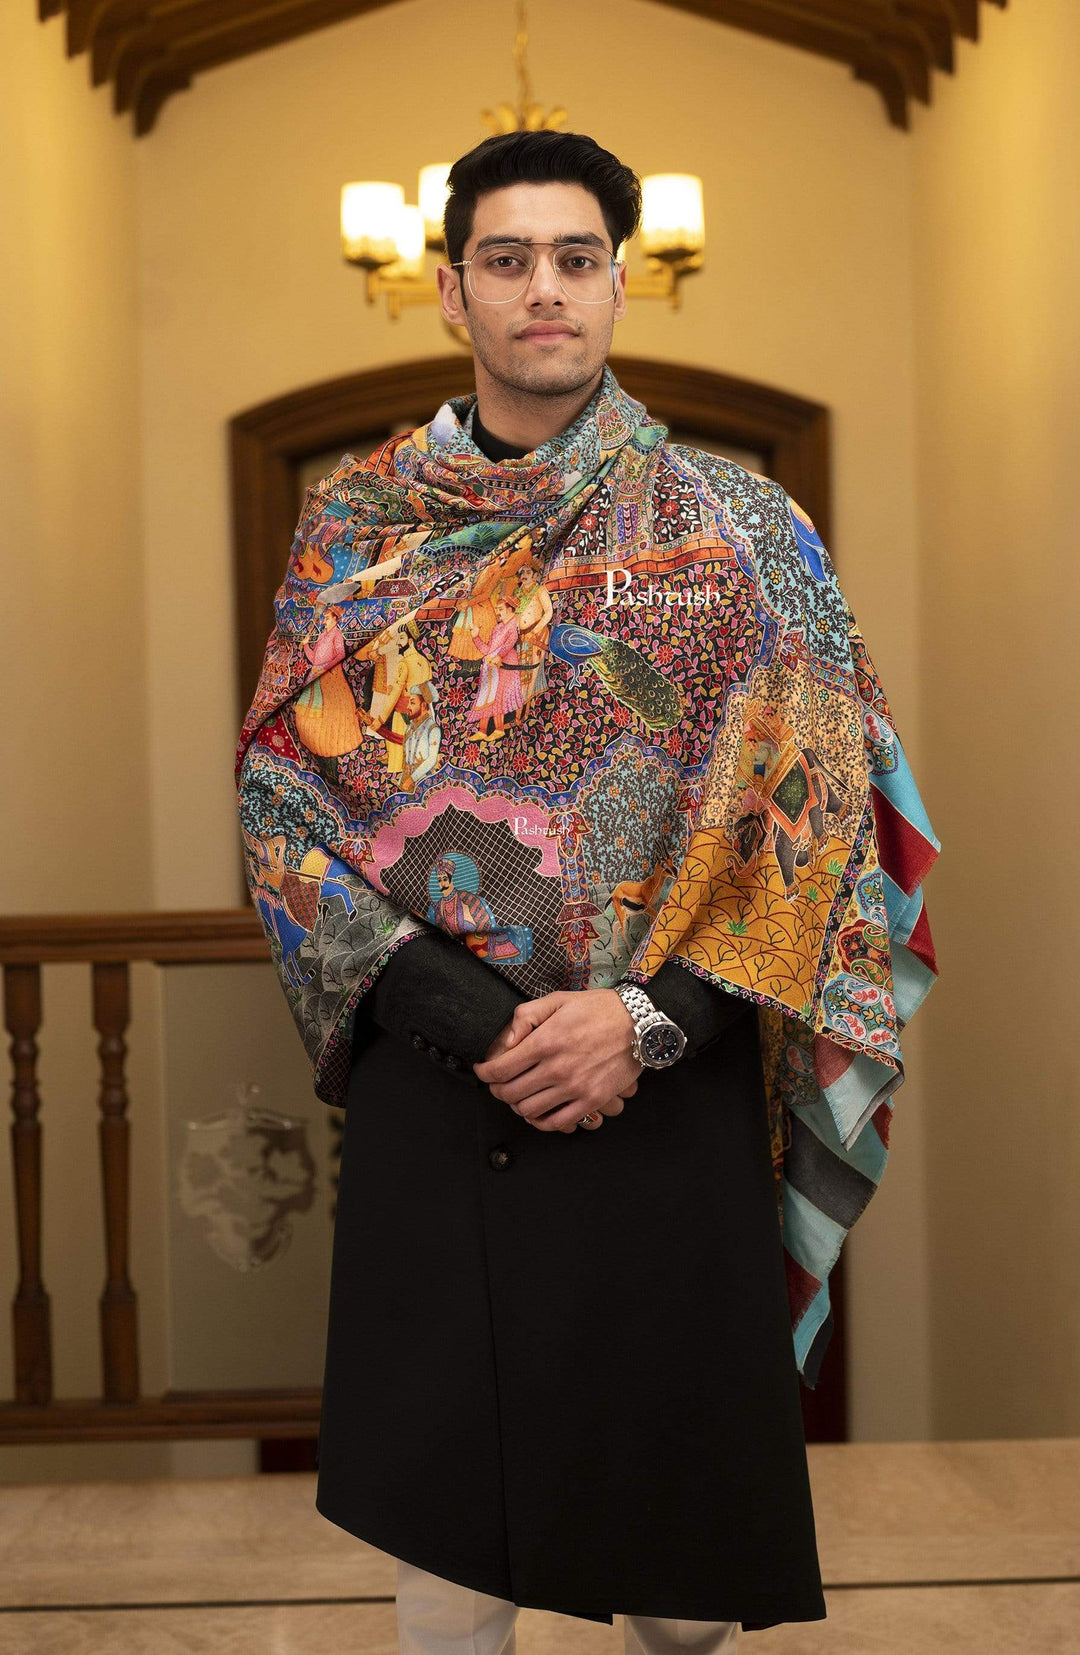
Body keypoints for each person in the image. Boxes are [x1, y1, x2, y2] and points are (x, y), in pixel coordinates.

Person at [235, 130, 940, 1653]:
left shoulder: (744, 530)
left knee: (682, 1591)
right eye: (507, 261)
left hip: (669, 1088)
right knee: (448, 1577)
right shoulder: (353, 525)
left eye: (574, 259)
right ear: (451, 293)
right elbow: (285, 808)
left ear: (622, 283)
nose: (542, 290)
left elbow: (820, 826)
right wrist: (486, 1025)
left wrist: (643, 1022)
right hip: (446, 1085)